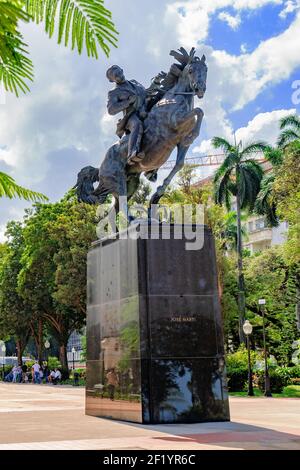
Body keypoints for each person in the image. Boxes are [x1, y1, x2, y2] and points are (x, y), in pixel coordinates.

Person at [106, 65, 147, 165]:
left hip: (145, 108)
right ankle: (132, 154)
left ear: (122, 70)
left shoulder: (134, 82)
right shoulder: (114, 92)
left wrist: (156, 83)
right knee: (136, 124)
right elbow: (111, 110)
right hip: (131, 116)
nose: (120, 76)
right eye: (116, 75)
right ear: (112, 80)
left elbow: (145, 93)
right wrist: (128, 102)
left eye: (120, 72)